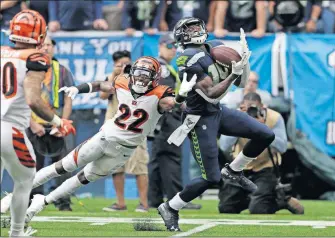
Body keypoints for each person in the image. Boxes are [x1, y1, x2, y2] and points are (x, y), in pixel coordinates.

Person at [3, 56, 196, 225]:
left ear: (155, 78)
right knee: (62, 167)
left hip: (124, 151)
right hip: (104, 138)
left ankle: (40, 204)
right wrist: (77, 89)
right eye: (139, 73)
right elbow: (99, 85)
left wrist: (181, 95)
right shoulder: (122, 81)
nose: (141, 78)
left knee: (82, 179)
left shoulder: (160, 93)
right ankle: (12, 196)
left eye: (146, 76)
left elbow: (173, 104)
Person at [157, 17, 275, 232]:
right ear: (181, 34)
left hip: (217, 112)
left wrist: (244, 63)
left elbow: (241, 82)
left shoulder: (216, 47)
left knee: (265, 134)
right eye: (189, 29)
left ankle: (234, 170)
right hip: (199, 118)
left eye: (196, 27)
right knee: (210, 177)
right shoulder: (187, 58)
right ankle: (170, 207)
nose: (195, 30)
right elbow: (210, 94)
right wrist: (233, 74)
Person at [0, 10, 75, 236]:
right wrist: (57, 120)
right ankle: (16, 232)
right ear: (40, 35)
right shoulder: (35, 58)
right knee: (25, 181)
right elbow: (33, 99)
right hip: (10, 128)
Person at [219, 92, 304, 215]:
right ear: (242, 106)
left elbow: (282, 147)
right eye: (248, 109)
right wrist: (239, 123)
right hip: (240, 168)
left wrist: (262, 128)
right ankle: (259, 198)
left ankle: (282, 201)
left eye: (254, 108)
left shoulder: (274, 117)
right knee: (226, 208)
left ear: (262, 107)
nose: (251, 112)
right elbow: (224, 145)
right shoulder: (235, 116)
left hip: (265, 168)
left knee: (258, 210)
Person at [148, 34, 201, 210]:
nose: (173, 49)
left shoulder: (160, 67)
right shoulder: (163, 69)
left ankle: (154, 199)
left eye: (174, 46)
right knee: (171, 158)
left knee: (157, 160)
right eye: (169, 46)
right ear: (160, 46)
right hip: (168, 119)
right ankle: (176, 200)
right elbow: (166, 96)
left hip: (159, 121)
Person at [25, 35, 75, 211]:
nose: (45, 48)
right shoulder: (28, 70)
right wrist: (31, 123)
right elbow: (22, 100)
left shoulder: (62, 71)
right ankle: (32, 201)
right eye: (42, 45)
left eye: (49, 45)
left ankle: (63, 202)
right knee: (32, 166)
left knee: (64, 165)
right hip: (34, 124)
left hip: (57, 125)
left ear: (53, 48)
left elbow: (69, 98)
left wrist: (62, 123)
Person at [100, 51, 149, 212]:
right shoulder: (110, 77)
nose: (125, 67)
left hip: (135, 127)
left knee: (140, 165)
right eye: (120, 64)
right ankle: (120, 203)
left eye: (127, 64)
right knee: (115, 167)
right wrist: (116, 76)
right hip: (114, 128)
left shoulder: (140, 78)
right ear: (114, 65)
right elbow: (102, 95)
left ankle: (143, 203)